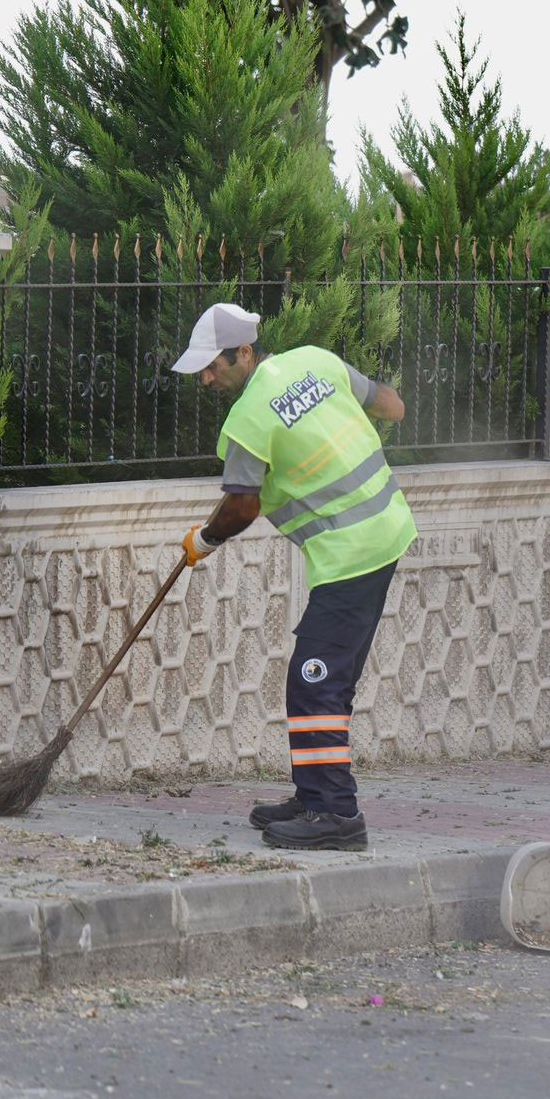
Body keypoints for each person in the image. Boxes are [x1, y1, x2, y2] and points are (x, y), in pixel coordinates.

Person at [172, 302, 415, 851]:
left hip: (350, 553)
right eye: (203, 369)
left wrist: (203, 541)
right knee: (328, 676)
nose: (208, 378)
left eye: (214, 365)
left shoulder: (246, 424)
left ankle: (336, 815)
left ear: (245, 352)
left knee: (314, 679)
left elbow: (240, 508)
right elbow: (391, 406)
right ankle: (313, 796)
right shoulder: (317, 361)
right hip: (387, 528)